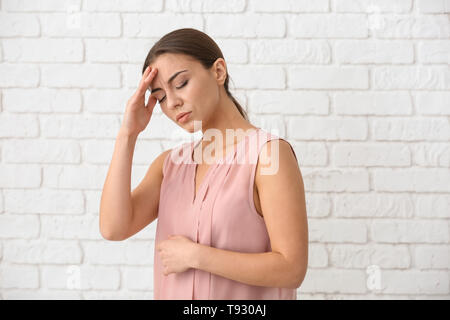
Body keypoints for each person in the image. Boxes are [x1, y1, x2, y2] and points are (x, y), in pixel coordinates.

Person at [99, 28, 308, 300]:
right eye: (160, 96)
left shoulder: (268, 156)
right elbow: (113, 228)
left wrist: (197, 256)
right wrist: (128, 134)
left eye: (181, 83)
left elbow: (292, 268)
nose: (172, 102)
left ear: (218, 71)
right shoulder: (169, 165)